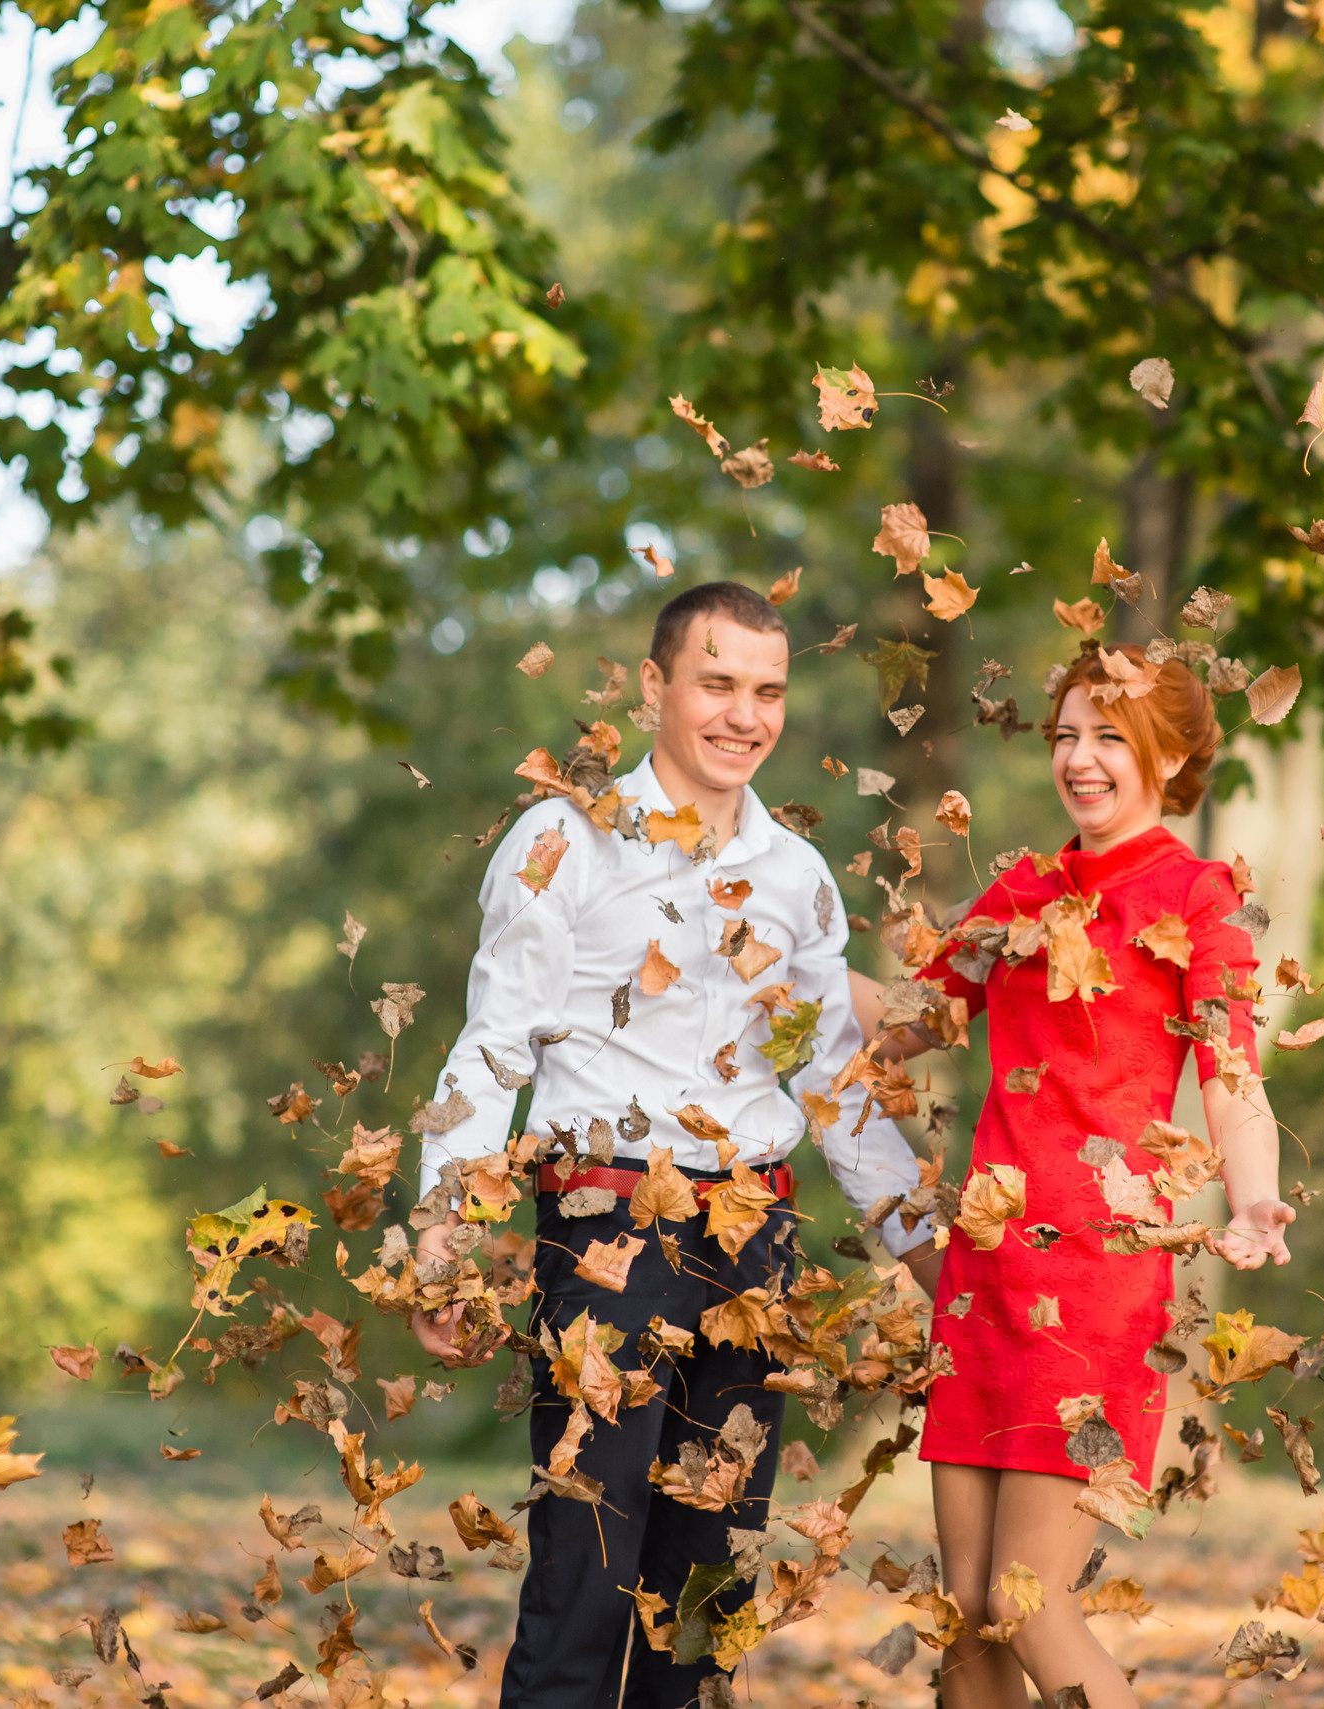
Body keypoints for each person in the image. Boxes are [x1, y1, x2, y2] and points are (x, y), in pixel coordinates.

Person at [407, 581, 941, 1709]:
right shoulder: (564, 838)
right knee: (584, 1579)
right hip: (608, 1235)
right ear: (654, 686)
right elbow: (493, 1046)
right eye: (717, 683)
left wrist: (931, 1254)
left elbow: (830, 1081)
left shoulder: (796, 874)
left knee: (705, 1603)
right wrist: (441, 1231)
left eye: (767, 691)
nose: (744, 715)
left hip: (755, 1241)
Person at [867, 640, 1297, 1709]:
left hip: (1099, 1278)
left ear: (1170, 756)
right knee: (966, 1610)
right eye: (1066, 734)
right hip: (984, 1272)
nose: (1080, 756)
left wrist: (1253, 1196)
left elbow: (1232, 1072)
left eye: (1110, 735)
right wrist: (777, 956)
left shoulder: (1196, 895)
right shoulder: (1022, 889)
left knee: (1028, 1603)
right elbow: (909, 1022)